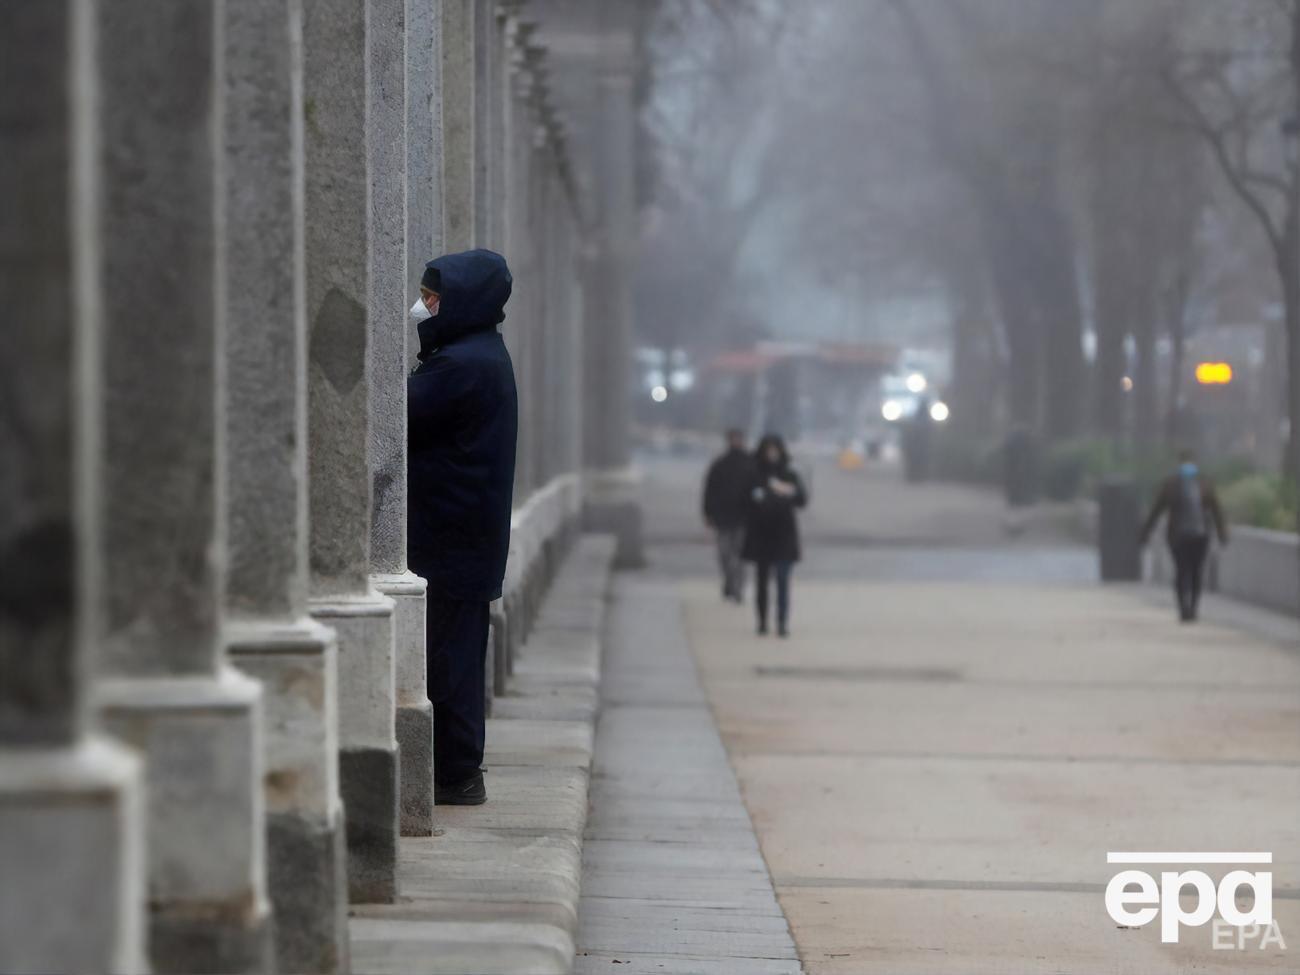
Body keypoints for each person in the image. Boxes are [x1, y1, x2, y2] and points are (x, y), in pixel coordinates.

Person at [408, 249, 517, 805]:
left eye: (432, 298)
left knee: (447, 660)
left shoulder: (459, 367)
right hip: (466, 537)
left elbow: (392, 413)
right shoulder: (481, 355)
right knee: (459, 654)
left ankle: (455, 772)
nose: (422, 308)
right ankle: (459, 769)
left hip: (448, 538)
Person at [1139, 449, 1229, 622]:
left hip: (1177, 536)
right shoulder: (1205, 483)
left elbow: (1156, 511)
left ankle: (1184, 608)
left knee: (1182, 571)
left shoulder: (1170, 483)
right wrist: (1222, 534)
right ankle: (1193, 608)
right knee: (1196, 572)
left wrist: (1145, 533)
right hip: (1200, 536)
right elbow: (1217, 510)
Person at [742, 434, 807, 637]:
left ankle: (781, 622)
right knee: (762, 582)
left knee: (782, 580)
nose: (772, 453)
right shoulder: (755, 473)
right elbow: (746, 498)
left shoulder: (789, 473)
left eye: (775, 449)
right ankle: (762, 621)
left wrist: (787, 492)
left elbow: (802, 499)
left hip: (784, 533)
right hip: (762, 533)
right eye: (769, 449)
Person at [702, 429, 753, 602]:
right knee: (724, 554)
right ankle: (730, 581)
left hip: (743, 517)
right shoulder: (720, 465)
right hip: (722, 517)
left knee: (739, 555)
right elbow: (709, 490)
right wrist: (708, 513)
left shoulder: (750, 463)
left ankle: (737, 587)